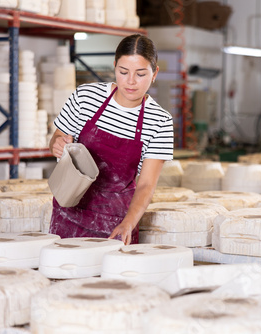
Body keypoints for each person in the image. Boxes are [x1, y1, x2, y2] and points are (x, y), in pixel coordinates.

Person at [49, 34, 174, 245]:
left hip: (116, 223)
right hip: (69, 212)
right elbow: (57, 138)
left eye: (141, 74)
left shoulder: (160, 121)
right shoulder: (85, 97)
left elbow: (146, 185)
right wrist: (57, 144)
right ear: (114, 66)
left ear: (155, 73)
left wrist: (129, 223)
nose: (131, 81)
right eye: (123, 72)